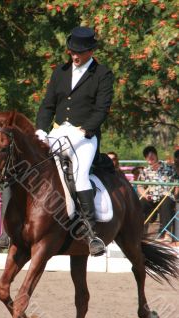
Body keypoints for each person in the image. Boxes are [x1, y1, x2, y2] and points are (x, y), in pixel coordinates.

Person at [35, 26, 114, 256]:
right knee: (32, 166)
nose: (74, 56)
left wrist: (86, 130)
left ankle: (91, 235)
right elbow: (48, 105)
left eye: (79, 52)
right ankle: (12, 229)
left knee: (79, 175)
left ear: (91, 51)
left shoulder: (102, 74)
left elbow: (102, 109)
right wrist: (41, 130)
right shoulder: (60, 72)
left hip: (85, 136)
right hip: (58, 132)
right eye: (71, 52)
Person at [137, 145, 176, 241]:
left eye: (152, 156)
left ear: (156, 156)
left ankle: (166, 233)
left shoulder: (168, 167)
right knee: (140, 203)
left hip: (166, 196)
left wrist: (175, 195)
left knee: (165, 201)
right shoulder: (145, 171)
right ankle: (140, 232)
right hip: (151, 197)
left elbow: (176, 182)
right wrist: (145, 195)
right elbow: (139, 186)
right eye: (148, 157)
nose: (150, 159)